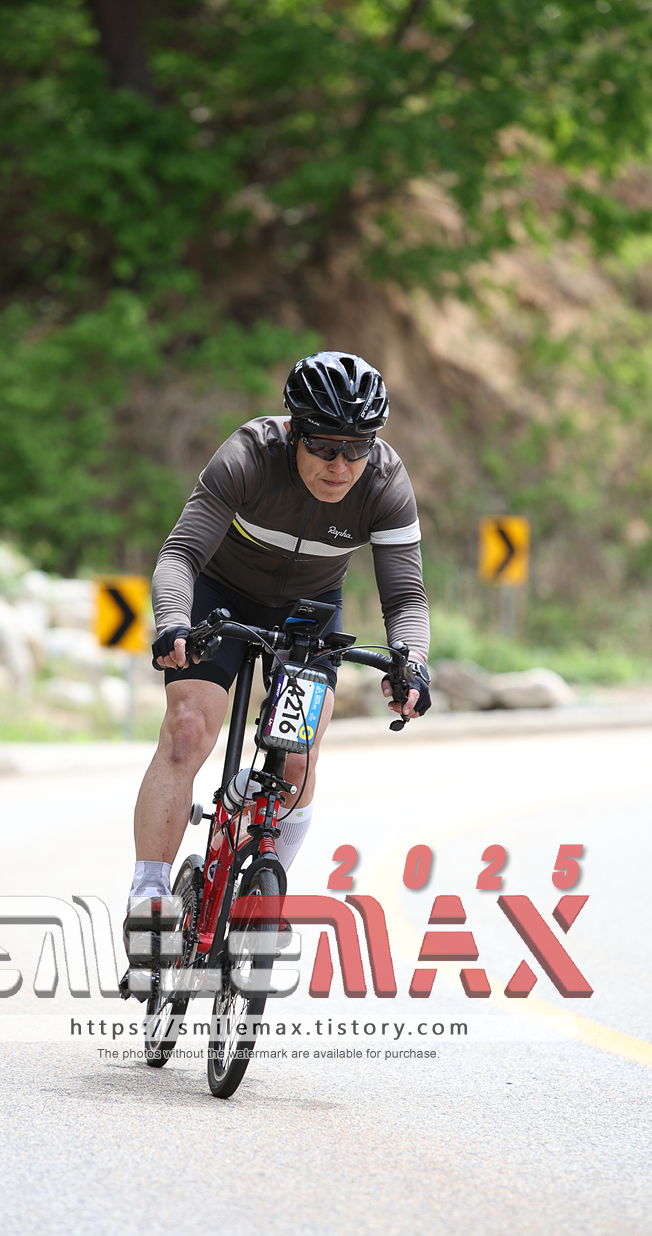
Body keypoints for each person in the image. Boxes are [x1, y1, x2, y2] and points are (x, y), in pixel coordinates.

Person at [126, 351, 431, 960]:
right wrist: (174, 622)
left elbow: (406, 597)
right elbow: (180, 555)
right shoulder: (248, 456)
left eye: (357, 448)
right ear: (294, 431)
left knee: (297, 761)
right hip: (220, 597)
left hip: (307, 613)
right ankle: (150, 894)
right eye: (324, 446)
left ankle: (260, 898)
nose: (340, 465)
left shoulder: (385, 482)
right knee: (188, 729)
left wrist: (413, 662)